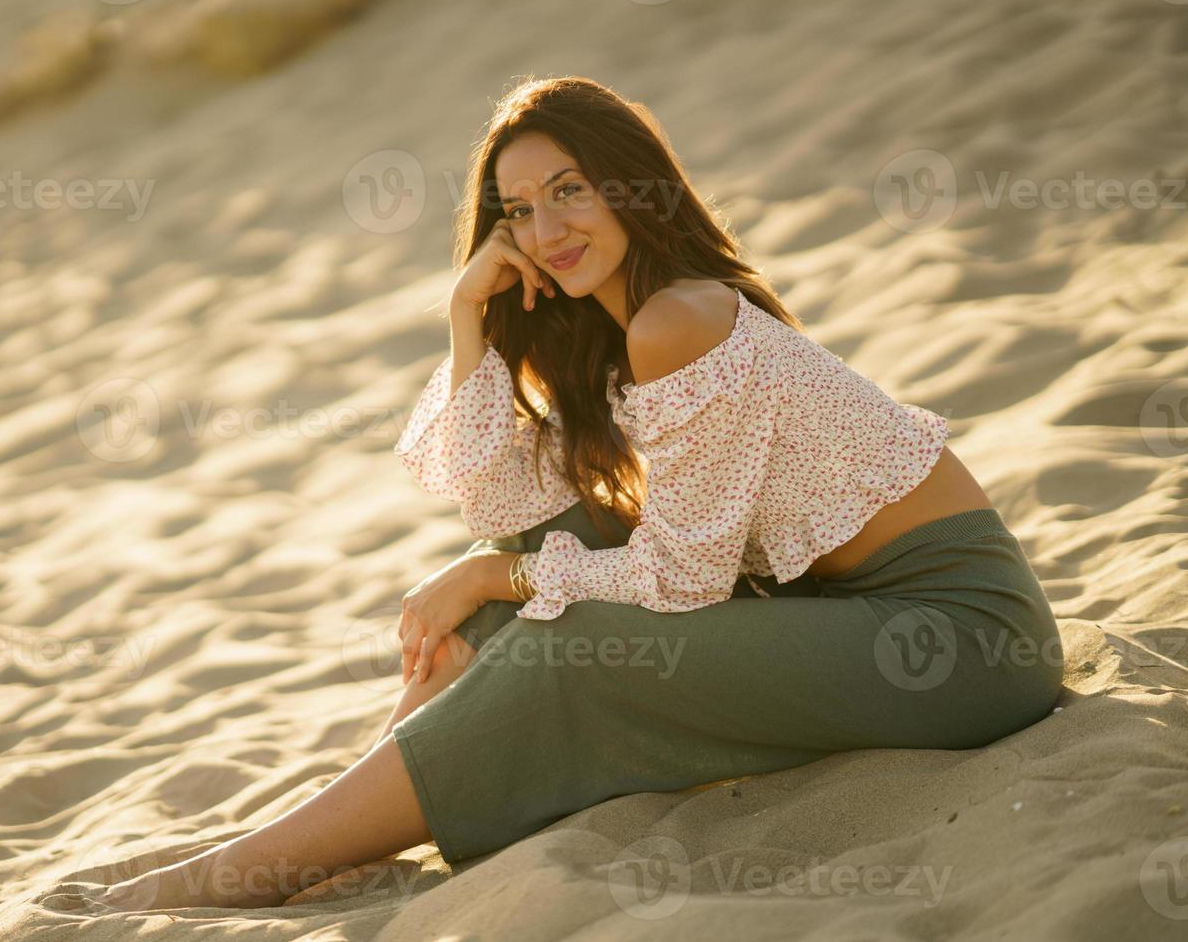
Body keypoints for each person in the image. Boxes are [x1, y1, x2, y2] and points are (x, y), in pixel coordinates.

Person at [99, 75, 1064, 912]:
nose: (546, 229)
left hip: (955, 644)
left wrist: (493, 576)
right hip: (849, 619)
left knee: (568, 644)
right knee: (552, 557)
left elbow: (681, 581)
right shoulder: (616, 343)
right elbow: (506, 507)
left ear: (630, 186)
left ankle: (264, 862)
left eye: (570, 192)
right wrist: (466, 312)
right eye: (518, 210)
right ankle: (327, 829)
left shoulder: (678, 322)